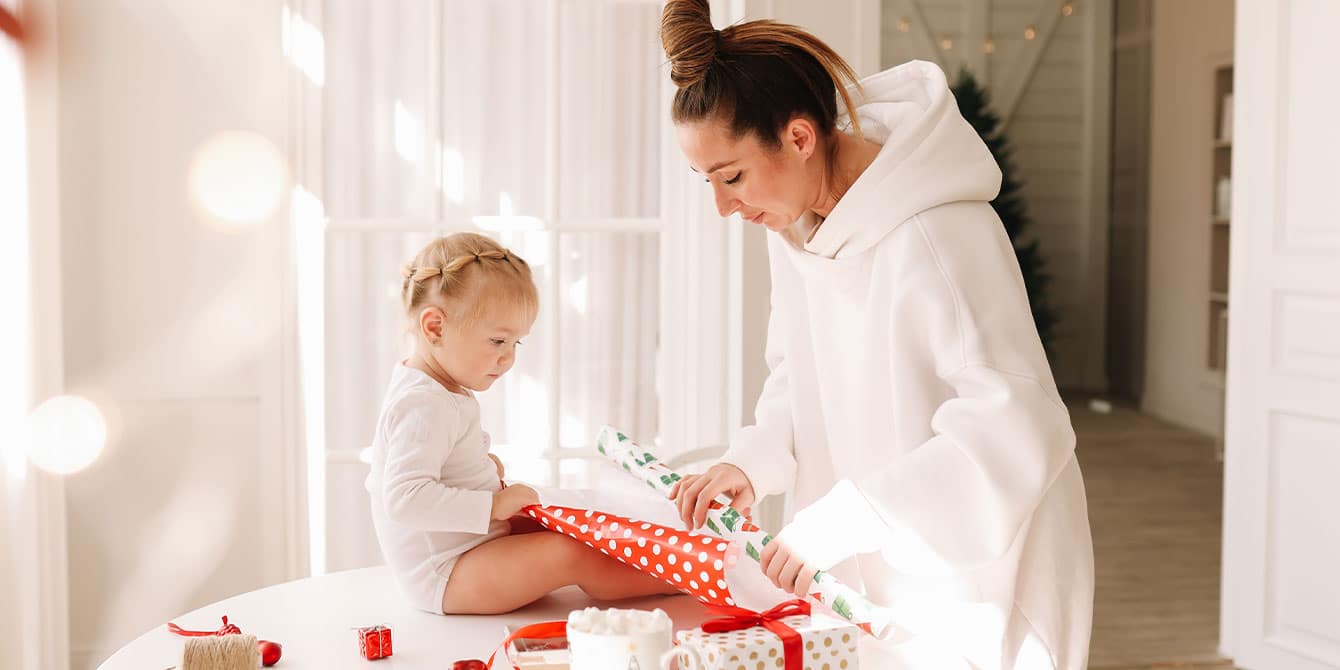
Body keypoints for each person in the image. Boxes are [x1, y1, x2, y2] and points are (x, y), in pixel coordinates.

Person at [660, 1, 1094, 667]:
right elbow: (797, 373)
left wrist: (847, 519)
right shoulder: (796, 223)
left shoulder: (939, 235)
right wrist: (755, 460)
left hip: (975, 576)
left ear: (800, 137)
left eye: (732, 176)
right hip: (859, 567)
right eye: (707, 182)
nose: (723, 206)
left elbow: (1016, 426)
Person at [365, 232, 675, 615]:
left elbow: (436, 464)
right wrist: (492, 504)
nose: (508, 359)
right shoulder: (424, 403)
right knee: (570, 551)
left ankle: (663, 550)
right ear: (435, 328)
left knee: (565, 524)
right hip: (444, 575)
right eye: (498, 341)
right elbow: (404, 499)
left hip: (468, 549)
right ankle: (677, 580)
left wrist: (477, 471)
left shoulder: (437, 388)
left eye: (516, 344)